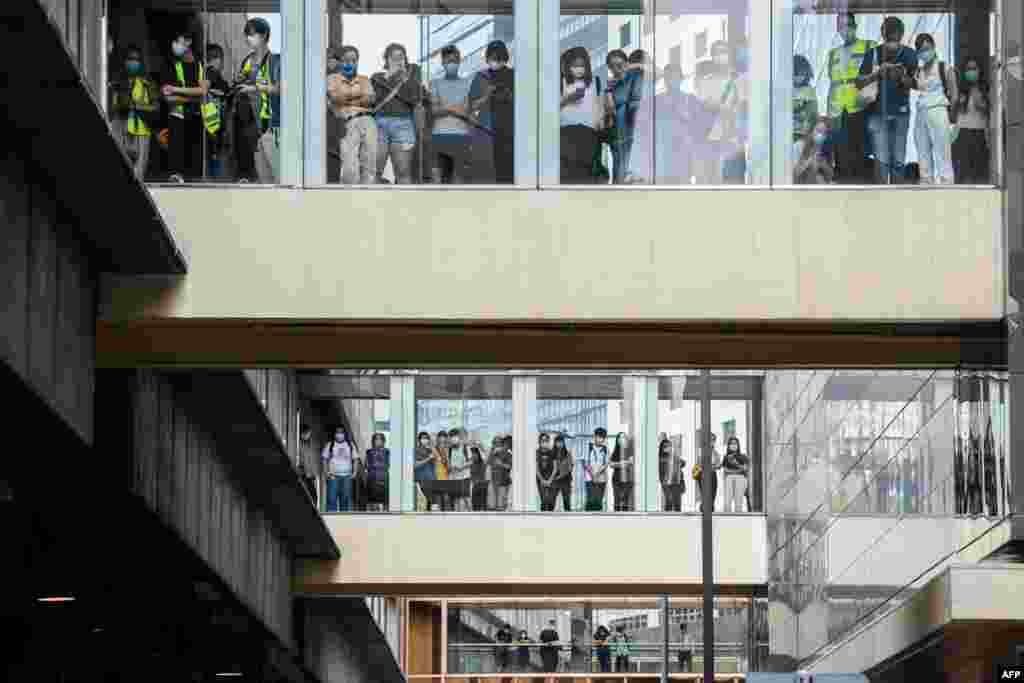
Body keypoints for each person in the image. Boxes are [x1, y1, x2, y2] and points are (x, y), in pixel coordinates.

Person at [858, 16, 916, 185]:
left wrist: (901, 76)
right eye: (890, 33)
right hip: (879, 113)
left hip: (898, 112)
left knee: (889, 160)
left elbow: (916, 83)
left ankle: (887, 197)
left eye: (895, 33)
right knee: (886, 161)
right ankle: (889, 197)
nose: (892, 37)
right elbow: (859, 83)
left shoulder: (908, 54)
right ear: (884, 33)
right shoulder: (874, 53)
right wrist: (877, 73)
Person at [827, 12, 876, 183]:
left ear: (855, 26)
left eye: (848, 25)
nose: (844, 30)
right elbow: (832, 83)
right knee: (840, 154)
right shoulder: (833, 54)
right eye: (841, 27)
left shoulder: (869, 46)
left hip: (860, 106)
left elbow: (875, 78)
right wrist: (830, 111)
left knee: (861, 152)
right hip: (838, 109)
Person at [233, 18, 282, 184]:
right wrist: (240, 81)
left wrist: (255, 88)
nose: (248, 38)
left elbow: (279, 89)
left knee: (277, 173)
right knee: (261, 174)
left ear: (264, 36)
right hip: (250, 124)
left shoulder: (275, 60)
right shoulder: (247, 61)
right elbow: (241, 84)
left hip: (270, 124)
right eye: (247, 34)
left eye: (252, 34)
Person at [372, 43, 424, 185]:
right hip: (379, 126)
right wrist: (389, 76)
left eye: (400, 57)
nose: (397, 60)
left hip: (403, 125)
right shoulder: (377, 77)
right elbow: (373, 101)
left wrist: (405, 80)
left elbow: (415, 99)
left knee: (403, 172)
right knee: (374, 171)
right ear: (386, 60)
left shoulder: (411, 78)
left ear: (405, 59)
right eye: (393, 57)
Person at [161, 31, 208, 183]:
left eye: (179, 40)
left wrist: (176, 90)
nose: (175, 44)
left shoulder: (200, 65)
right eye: (174, 41)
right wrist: (193, 97)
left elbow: (203, 91)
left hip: (195, 118)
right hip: (177, 117)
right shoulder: (171, 65)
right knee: (176, 167)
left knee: (195, 167)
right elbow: (168, 98)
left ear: (188, 42)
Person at [327, 45, 378, 185]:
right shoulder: (332, 79)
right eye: (346, 60)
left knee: (370, 166)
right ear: (340, 62)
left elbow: (371, 100)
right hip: (348, 122)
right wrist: (360, 97)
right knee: (350, 168)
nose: (350, 63)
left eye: (354, 60)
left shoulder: (364, 79)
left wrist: (347, 98)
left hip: (368, 121)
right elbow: (336, 98)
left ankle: (367, 200)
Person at [912, 34, 957, 185]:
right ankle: (926, 180)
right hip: (921, 112)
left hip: (938, 110)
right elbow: (914, 86)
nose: (924, 52)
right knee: (922, 149)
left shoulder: (944, 67)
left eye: (927, 48)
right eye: (921, 50)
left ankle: (947, 183)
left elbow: (954, 95)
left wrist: (951, 118)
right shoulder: (919, 71)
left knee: (942, 151)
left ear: (933, 46)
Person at [109, 45, 158, 182]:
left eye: (136, 59)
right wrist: (123, 104)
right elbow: (111, 107)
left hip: (141, 131)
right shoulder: (117, 81)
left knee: (138, 173)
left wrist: (137, 106)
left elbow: (155, 107)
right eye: (130, 59)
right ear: (125, 61)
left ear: (141, 62)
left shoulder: (148, 83)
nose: (133, 62)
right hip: (121, 129)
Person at [469, 40, 515, 183]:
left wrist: (510, 95)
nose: (496, 61)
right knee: (487, 171)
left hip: (510, 130)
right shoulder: (481, 77)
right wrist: (486, 95)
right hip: (487, 131)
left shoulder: (514, 75)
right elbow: (472, 106)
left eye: (499, 57)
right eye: (493, 57)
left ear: (505, 57)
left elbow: (524, 103)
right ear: (487, 58)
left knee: (509, 171)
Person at [694, 41, 739, 185]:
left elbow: (742, 106)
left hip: (731, 136)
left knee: (730, 180)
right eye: (717, 52)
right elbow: (703, 103)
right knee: (711, 179)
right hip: (710, 136)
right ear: (712, 56)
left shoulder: (737, 80)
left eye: (724, 51)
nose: (721, 55)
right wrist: (725, 108)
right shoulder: (705, 81)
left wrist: (722, 107)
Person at [560, 47, 606, 184]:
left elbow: (598, 108)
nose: (579, 69)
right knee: (568, 176)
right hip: (566, 134)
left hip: (589, 134)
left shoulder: (595, 82)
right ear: (568, 66)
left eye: (582, 65)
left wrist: (601, 123)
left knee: (587, 176)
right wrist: (567, 99)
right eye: (575, 66)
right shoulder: (559, 82)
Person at [430, 45, 475, 184]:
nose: (452, 64)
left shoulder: (467, 83)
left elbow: (468, 111)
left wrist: (446, 108)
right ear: (443, 62)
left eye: (455, 60)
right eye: (449, 61)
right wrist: (455, 109)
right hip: (440, 136)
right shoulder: (435, 83)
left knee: (459, 181)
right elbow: (434, 111)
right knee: (441, 181)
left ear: (460, 61)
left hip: (462, 136)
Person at [953, 57, 991, 184]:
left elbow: (988, 110)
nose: (971, 71)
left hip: (979, 133)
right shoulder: (961, 88)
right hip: (963, 133)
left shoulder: (987, 88)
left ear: (980, 70)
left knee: (979, 173)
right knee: (964, 173)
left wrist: (978, 95)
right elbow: (954, 115)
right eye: (968, 69)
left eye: (974, 68)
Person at [604, 49, 635, 184]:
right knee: (619, 175)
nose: (617, 69)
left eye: (620, 65)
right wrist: (608, 92)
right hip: (618, 138)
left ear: (626, 63)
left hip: (634, 137)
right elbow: (609, 113)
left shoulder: (635, 80)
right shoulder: (610, 87)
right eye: (612, 67)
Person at [203, 44, 231, 180]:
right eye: (221, 59)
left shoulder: (211, 74)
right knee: (214, 155)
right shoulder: (211, 72)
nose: (222, 63)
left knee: (215, 154)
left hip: (214, 122)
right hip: (212, 121)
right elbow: (208, 90)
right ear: (217, 59)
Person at [321, 426, 357, 512]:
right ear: (334, 434)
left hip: (347, 477)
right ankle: (330, 520)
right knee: (331, 499)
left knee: (345, 499)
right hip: (333, 476)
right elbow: (324, 459)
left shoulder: (350, 445)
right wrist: (326, 473)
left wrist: (354, 472)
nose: (339, 434)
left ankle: (343, 521)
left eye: (341, 432)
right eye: (337, 432)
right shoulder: (330, 445)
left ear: (344, 434)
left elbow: (355, 459)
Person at [794, 117, 835, 185]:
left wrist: (824, 165)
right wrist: (810, 159)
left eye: (824, 133)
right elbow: (795, 173)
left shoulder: (822, 148)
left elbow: (830, 175)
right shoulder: (798, 146)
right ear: (811, 130)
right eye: (818, 131)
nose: (821, 135)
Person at [325, 48, 344, 184]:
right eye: (327, 58)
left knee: (333, 159)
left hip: (335, 126)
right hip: (322, 126)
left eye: (333, 59)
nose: (330, 61)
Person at [793, 55, 819, 148]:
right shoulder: (784, 89)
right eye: (796, 73)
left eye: (802, 74)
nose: (799, 77)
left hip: (803, 134)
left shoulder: (809, 91)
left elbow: (813, 114)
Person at [694, 432, 722, 512]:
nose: (712, 442)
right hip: (703, 475)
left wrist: (716, 465)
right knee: (705, 496)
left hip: (712, 474)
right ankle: (704, 512)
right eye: (711, 440)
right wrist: (712, 466)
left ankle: (710, 512)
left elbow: (718, 464)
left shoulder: (715, 452)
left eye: (713, 440)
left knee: (712, 495)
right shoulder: (701, 451)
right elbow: (699, 464)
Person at [721, 436, 750, 512]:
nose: (733, 445)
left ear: (738, 445)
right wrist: (738, 470)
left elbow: (745, 468)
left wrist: (735, 463)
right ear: (728, 446)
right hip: (729, 478)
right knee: (727, 501)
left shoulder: (743, 456)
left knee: (738, 501)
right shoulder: (725, 457)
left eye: (735, 443)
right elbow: (725, 470)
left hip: (741, 479)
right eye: (731, 444)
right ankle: (727, 518)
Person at [447, 428, 473, 511]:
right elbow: (448, 463)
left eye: (455, 436)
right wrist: (450, 467)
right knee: (456, 500)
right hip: (454, 478)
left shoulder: (466, 447)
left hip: (464, 477)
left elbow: (471, 461)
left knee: (467, 499)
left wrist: (462, 467)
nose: (453, 439)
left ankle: (472, 515)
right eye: (451, 437)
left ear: (459, 437)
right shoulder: (450, 449)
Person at [584, 428, 610, 511]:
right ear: (594, 436)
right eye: (598, 437)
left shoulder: (606, 449)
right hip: (589, 479)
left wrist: (597, 474)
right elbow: (585, 463)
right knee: (590, 501)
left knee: (598, 502)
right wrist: (592, 475)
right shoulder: (588, 447)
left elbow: (606, 464)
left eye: (602, 437)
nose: (600, 439)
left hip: (601, 479)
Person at [658, 437, 685, 512]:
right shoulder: (660, 458)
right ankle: (667, 517)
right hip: (665, 482)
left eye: (669, 446)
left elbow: (683, 463)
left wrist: (676, 458)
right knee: (669, 499)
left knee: (677, 501)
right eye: (665, 446)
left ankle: (678, 518)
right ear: (662, 448)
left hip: (676, 481)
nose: (668, 448)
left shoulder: (674, 456)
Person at [364, 432, 389, 511]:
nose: (378, 441)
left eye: (380, 439)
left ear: (383, 441)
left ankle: (385, 514)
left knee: (385, 499)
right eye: (376, 439)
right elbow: (366, 464)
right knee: (371, 499)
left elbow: (388, 464)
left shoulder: (387, 451)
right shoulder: (369, 451)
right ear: (373, 441)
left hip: (383, 477)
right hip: (372, 478)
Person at [609, 432, 634, 511]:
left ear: (626, 439)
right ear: (618, 440)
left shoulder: (630, 449)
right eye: (620, 438)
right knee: (616, 499)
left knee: (625, 500)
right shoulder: (615, 451)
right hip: (616, 479)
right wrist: (623, 463)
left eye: (623, 437)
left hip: (628, 479)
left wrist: (618, 464)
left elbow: (630, 462)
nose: (622, 439)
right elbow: (611, 464)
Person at [414, 431, 437, 511]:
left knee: (430, 503)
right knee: (425, 501)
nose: (425, 440)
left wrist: (432, 448)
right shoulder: (416, 450)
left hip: (431, 479)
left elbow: (437, 460)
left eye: (427, 438)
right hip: (421, 479)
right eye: (423, 438)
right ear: (419, 440)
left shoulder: (430, 450)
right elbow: (415, 465)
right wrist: (428, 458)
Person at [489, 435, 512, 511]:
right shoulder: (493, 453)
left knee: (501, 504)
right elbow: (488, 462)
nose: (496, 444)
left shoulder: (508, 454)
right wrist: (492, 452)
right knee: (494, 504)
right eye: (494, 443)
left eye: (498, 443)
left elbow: (509, 466)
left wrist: (501, 464)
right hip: (494, 480)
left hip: (503, 481)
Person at [551, 433, 573, 512]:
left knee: (566, 502)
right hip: (555, 480)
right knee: (551, 501)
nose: (559, 444)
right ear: (555, 443)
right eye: (557, 442)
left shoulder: (568, 453)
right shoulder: (552, 453)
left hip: (566, 480)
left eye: (561, 442)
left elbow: (570, 467)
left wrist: (562, 474)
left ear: (564, 443)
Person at [298, 423, 318, 507]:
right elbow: (302, 459)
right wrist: (304, 471)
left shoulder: (309, 445)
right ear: (302, 433)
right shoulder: (298, 443)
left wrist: (313, 473)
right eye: (307, 433)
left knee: (314, 496)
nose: (308, 435)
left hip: (309, 475)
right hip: (303, 473)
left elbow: (312, 460)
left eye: (309, 434)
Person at [536, 432, 557, 511]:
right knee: (544, 501)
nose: (544, 442)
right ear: (539, 442)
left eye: (546, 440)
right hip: (540, 479)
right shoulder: (537, 452)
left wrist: (550, 480)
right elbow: (536, 468)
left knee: (551, 501)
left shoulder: (552, 452)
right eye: (542, 440)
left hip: (551, 478)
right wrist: (542, 480)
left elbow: (555, 468)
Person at [468, 433, 489, 511]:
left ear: (478, 454)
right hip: (474, 488)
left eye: (475, 454)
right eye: (472, 454)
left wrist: (480, 445)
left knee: (482, 506)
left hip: (482, 487)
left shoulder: (482, 463)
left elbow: (486, 455)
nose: (473, 455)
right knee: (475, 507)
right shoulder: (470, 464)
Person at [433, 430, 450, 509]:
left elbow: (447, 463)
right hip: (436, 476)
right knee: (438, 498)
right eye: (441, 437)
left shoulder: (448, 449)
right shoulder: (434, 449)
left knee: (445, 499)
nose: (442, 439)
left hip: (446, 476)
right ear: (438, 438)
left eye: (444, 437)